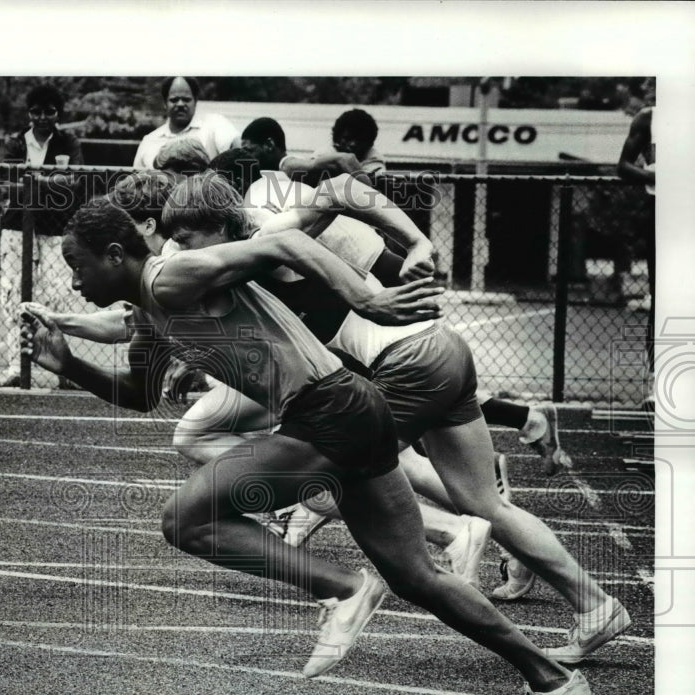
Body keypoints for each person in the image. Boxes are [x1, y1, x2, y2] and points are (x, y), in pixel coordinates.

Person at [23, 194, 593, 695]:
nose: (73, 283)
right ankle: (551, 681)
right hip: (351, 411)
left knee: (185, 520)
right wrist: (67, 363)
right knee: (418, 577)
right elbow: (139, 393)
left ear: (114, 255)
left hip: (328, 411)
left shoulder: (169, 278)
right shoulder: (148, 313)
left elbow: (288, 243)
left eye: (77, 266)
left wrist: (367, 300)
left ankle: (344, 588)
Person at [164, 170, 631, 667]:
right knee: (485, 503)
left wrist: (417, 242)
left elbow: (340, 185)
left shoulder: (270, 237)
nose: (180, 252)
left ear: (218, 225)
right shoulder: (243, 252)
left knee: (331, 483)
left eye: (186, 240)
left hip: (408, 364)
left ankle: (440, 557)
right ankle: (596, 606)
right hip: (441, 349)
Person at [236, 121, 574, 478]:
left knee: (408, 377)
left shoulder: (267, 190)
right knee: (403, 379)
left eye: (249, 146)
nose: (246, 152)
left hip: (371, 268)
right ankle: (523, 424)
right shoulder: (273, 186)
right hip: (358, 271)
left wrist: (410, 240)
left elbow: (347, 181)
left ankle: (484, 457)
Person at [0, 83, 83, 387]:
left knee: (59, 295)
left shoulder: (68, 141)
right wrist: (50, 181)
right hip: (18, 225)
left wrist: (36, 181)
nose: (42, 117)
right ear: (28, 113)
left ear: (58, 113)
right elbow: (9, 182)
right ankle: (16, 368)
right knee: (14, 294)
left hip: (55, 226)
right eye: (36, 111)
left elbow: (75, 181)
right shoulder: (16, 143)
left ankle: (63, 369)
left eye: (49, 111)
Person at [616, 79, 655, 410]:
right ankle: (660, 384)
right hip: (664, 212)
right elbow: (623, 165)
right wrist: (654, 176)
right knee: (664, 301)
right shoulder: (649, 118)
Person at [133, 77, 240, 170]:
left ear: (195, 101)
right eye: (174, 100)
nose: (180, 104)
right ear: (165, 103)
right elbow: (135, 179)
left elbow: (237, 147)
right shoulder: (149, 141)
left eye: (186, 99)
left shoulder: (214, 124)